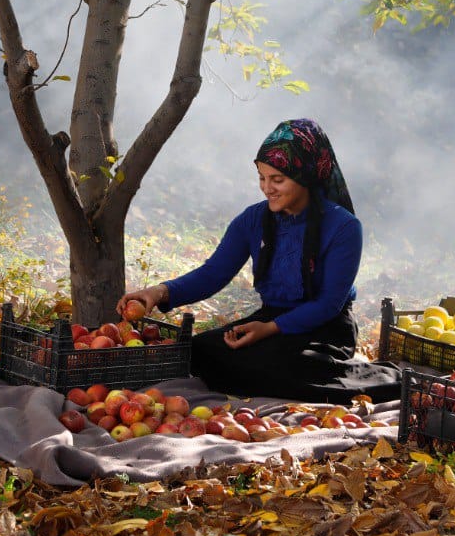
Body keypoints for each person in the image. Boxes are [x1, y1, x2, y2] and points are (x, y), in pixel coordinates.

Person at [117, 118, 402, 403]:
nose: (267, 188)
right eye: (262, 178)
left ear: (305, 176)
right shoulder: (252, 220)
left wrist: (270, 329)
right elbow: (213, 273)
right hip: (268, 320)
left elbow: (328, 304)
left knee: (285, 368)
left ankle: (387, 379)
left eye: (278, 179)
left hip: (325, 327)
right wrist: (157, 292)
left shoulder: (344, 227)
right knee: (200, 350)